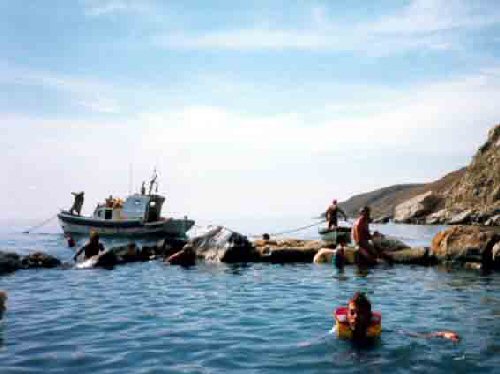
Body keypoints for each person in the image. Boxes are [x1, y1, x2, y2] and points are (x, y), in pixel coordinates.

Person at [334, 292, 459, 343]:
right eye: (352, 312)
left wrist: (442, 334)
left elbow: (415, 335)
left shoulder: (377, 328)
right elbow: (320, 339)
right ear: (347, 313)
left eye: (360, 313)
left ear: (368, 315)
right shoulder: (338, 328)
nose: (355, 317)